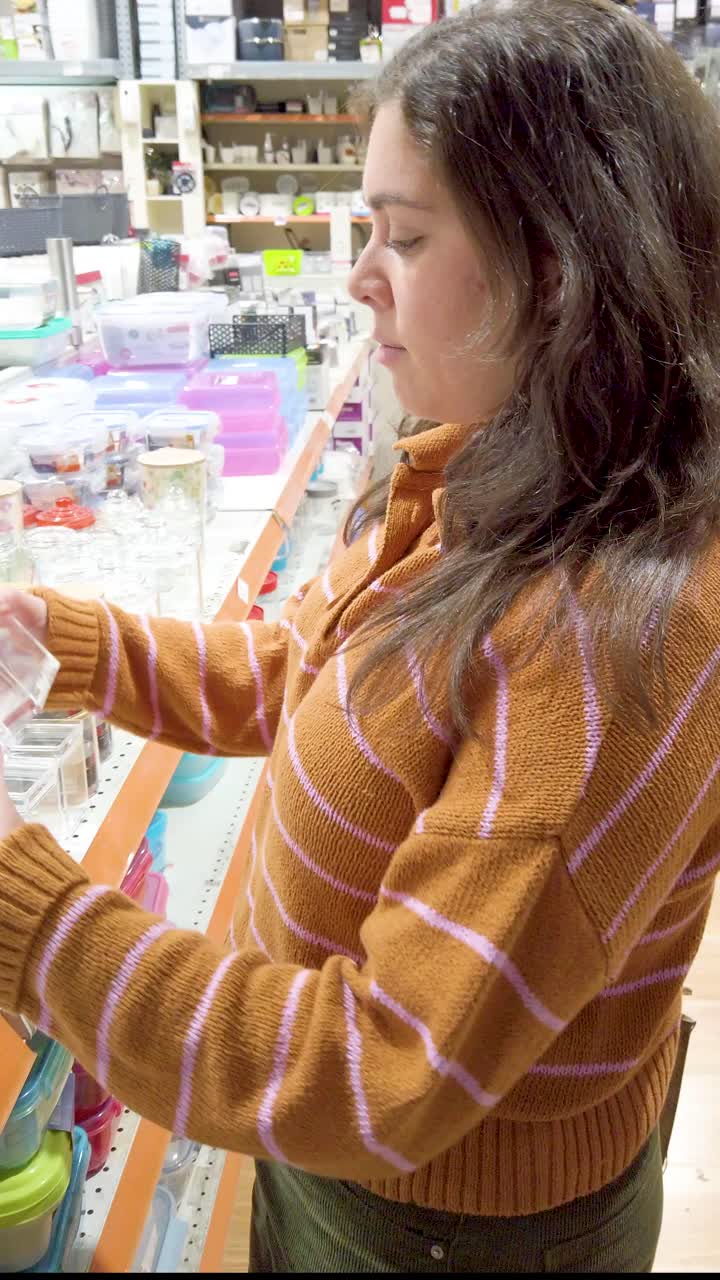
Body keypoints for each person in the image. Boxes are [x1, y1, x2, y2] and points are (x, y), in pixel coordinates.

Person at [1, 0, 719, 1270]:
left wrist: (38, 917)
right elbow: (317, 685)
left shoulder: (612, 640)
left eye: (404, 234)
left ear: (558, 265)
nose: (357, 276)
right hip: (375, 1178)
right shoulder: (510, 473)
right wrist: (53, 637)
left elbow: (380, 1070)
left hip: (448, 1224)